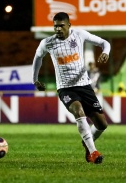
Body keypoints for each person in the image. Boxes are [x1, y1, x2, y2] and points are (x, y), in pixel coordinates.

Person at [32, 12, 110, 164]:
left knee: (102, 124)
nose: (58, 29)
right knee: (78, 111)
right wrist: (35, 79)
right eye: (55, 26)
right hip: (65, 88)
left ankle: (87, 143)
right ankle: (93, 152)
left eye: (61, 26)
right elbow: (38, 58)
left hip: (84, 85)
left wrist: (105, 52)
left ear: (69, 25)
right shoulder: (47, 43)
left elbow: (104, 43)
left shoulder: (79, 34)